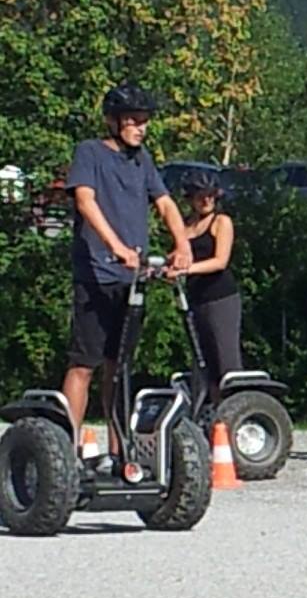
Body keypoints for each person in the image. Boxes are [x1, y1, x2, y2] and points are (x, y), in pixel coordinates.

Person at [61, 83, 192, 450]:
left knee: (118, 367)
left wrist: (182, 245)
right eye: (133, 120)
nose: (141, 128)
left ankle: (121, 451)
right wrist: (116, 246)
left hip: (131, 280)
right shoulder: (90, 152)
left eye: (144, 121)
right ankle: (66, 449)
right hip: (96, 276)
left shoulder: (142, 160)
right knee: (84, 364)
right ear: (113, 121)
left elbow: (165, 203)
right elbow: (85, 201)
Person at [180, 169, 243, 402]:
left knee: (226, 359)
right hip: (195, 299)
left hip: (220, 298)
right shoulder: (186, 226)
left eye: (210, 195)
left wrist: (186, 269)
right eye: (201, 196)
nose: (206, 200)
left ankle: (235, 408)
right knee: (203, 361)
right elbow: (178, 256)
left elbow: (220, 261)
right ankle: (212, 408)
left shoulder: (221, 222)